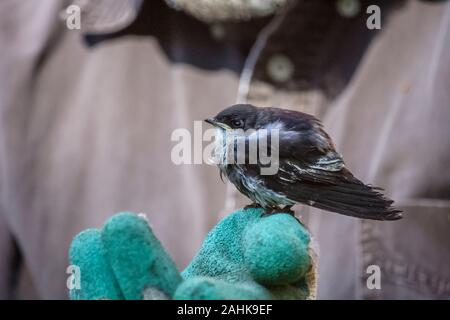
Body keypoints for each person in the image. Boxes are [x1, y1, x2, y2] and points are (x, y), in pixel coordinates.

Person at [0, 0, 448, 299]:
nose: (219, 131)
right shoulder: (17, 36)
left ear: (245, 126)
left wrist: (343, 193)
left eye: (228, 125)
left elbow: (313, 179)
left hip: (314, 174)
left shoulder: (258, 147)